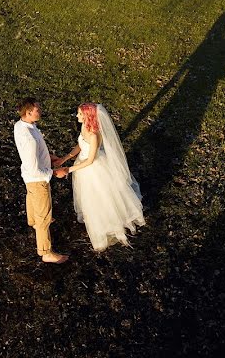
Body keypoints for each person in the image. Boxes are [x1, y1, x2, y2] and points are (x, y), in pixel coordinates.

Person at [58, 103, 145, 251]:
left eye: (80, 114)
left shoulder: (94, 135)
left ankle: (108, 224)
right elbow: (80, 145)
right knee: (88, 197)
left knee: (99, 197)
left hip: (93, 169)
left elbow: (91, 160)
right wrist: (64, 159)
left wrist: (68, 170)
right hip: (82, 165)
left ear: (88, 116)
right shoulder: (84, 126)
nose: (77, 116)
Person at [13, 98, 69, 264]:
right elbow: (34, 170)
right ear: (29, 112)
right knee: (44, 216)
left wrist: (49, 157)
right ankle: (45, 252)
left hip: (29, 178)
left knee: (32, 198)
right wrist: (54, 173)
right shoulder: (29, 138)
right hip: (37, 179)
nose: (41, 110)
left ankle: (33, 221)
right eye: (38, 109)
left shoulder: (21, 125)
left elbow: (34, 155)